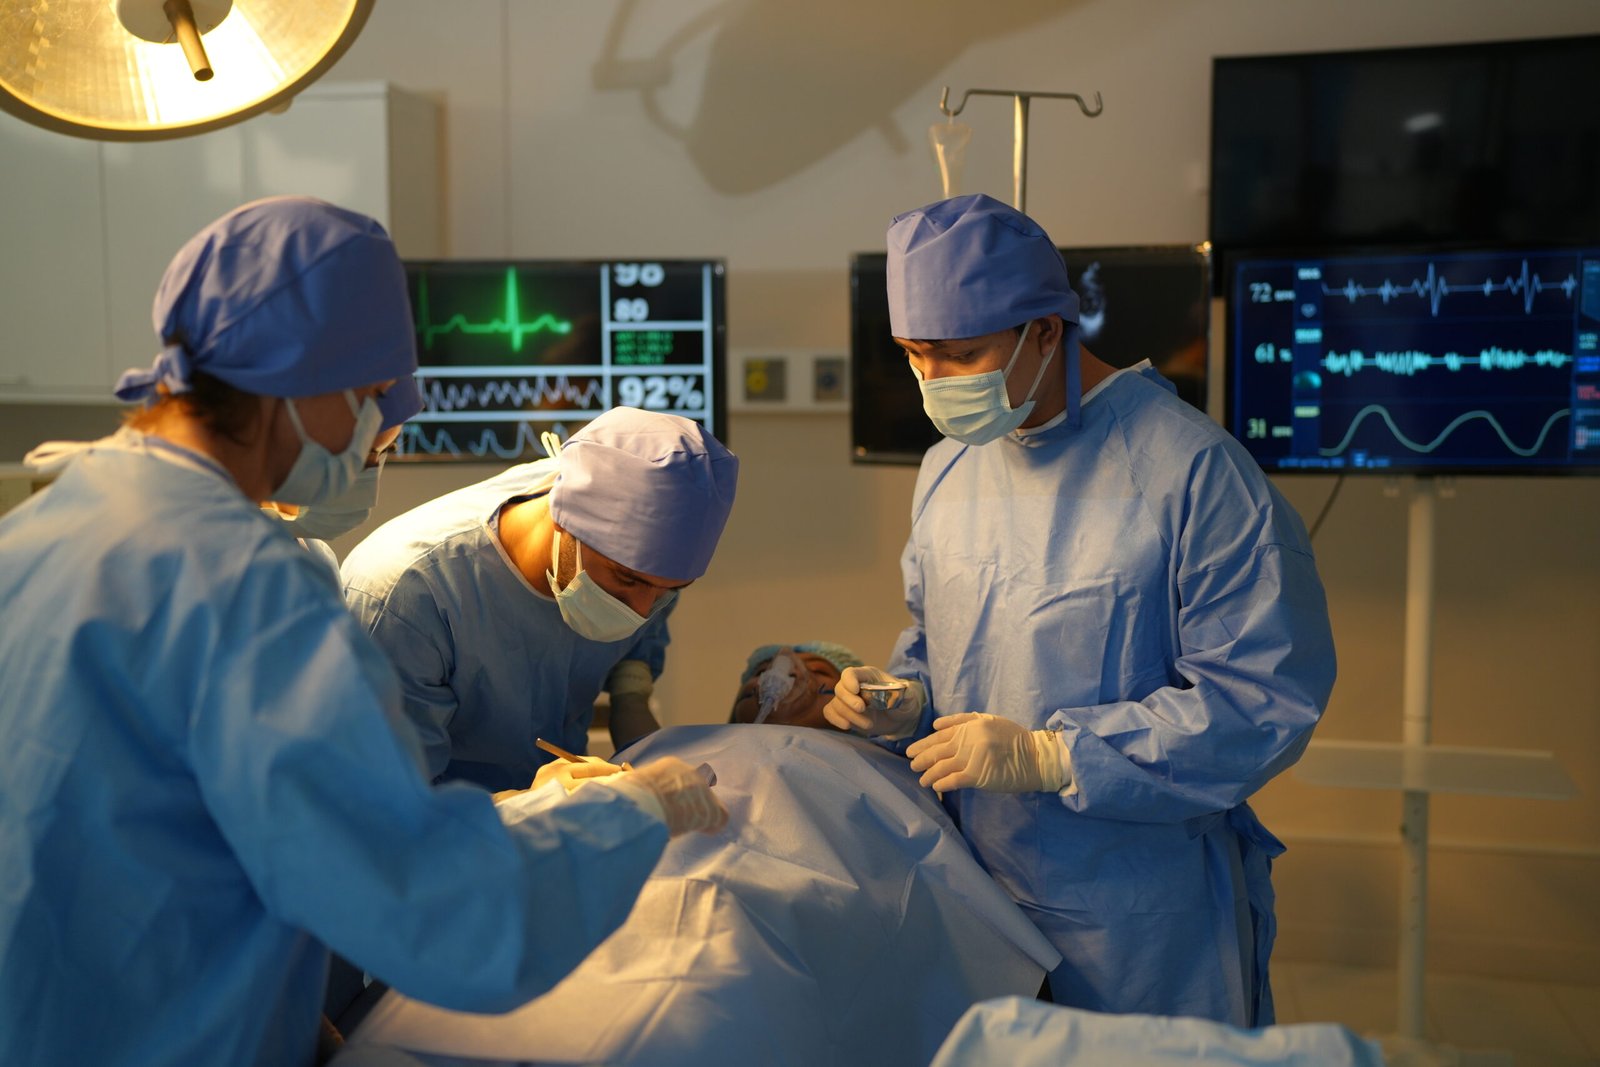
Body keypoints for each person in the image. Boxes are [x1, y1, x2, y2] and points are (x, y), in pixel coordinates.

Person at [0, 196, 725, 1067]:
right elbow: (436, 910)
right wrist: (631, 813)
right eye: (376, 397)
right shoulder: (253, 593)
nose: (379, 430)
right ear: (305, 382)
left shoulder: (42, 530)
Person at [823, 194, 1336, 1028]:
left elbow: (1262, 699)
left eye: (962, 353)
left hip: (1136, 916)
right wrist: (905, 700)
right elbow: (941, 640)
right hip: (976, 894)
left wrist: (1056, 755)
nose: (934, 380)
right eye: (916, 354)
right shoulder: (949, 468)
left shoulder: (1192, 473)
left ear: (1046, 331)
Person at [340, 406, 739, 792]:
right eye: (626, 579)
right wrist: (534, 805)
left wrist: (635, 712)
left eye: (669, 591)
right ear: (564, 521)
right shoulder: (409, 598)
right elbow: (389, 808)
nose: (641, 609)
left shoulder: (648, 566)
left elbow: (637, 645)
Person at [728, 641, 863, 728]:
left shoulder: (871, 760)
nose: (788, 673)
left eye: (818, 670)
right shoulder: (716, 752)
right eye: (761, 672)